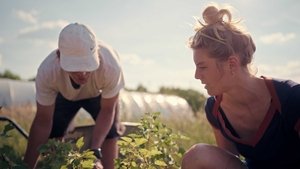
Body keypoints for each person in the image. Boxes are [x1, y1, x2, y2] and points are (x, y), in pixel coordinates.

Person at [181, 3, 300, 169]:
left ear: (231, 63)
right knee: (196, 156)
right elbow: (230, 162)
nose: (196, 75)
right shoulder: (215, 109)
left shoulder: (291, 97)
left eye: (202, 67)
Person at [24, 22, 125, 169]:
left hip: (98, 94)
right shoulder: (48, 72)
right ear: (59, 56)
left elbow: (108, 110)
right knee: (54, 135)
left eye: (88, 65)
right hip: (65, 96)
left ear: (97, 53)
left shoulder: (110, 66)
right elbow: (42, 121)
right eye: (76, 67)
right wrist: (25, 166)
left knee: (110, 132)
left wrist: (95, 152)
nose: (83, 74)